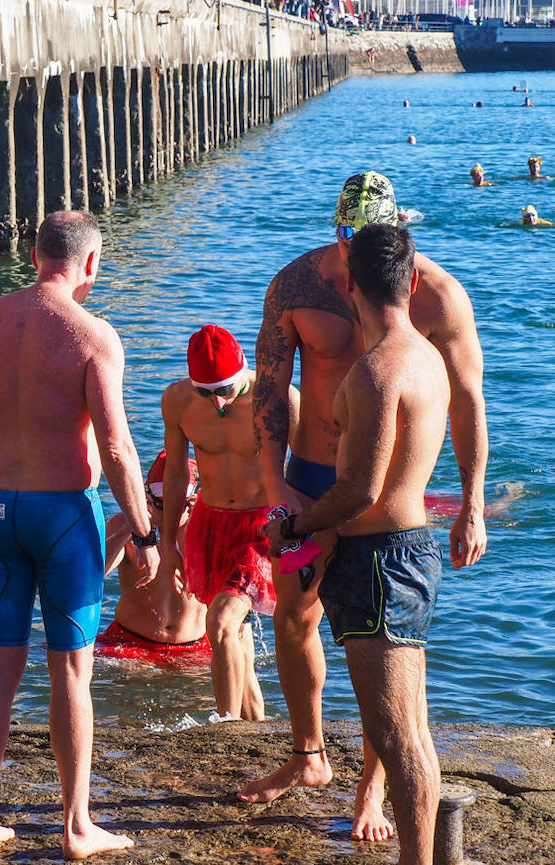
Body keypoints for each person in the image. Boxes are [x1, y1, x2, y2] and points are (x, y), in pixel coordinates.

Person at [245, 171, 488, 845]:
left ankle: (374, 786)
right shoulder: (297, 285)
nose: (353, 248)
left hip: (381, 494)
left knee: (387, 658)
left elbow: (467, 399)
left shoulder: (435, 294)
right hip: (312, 474)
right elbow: (268, 391)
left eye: (369, 238)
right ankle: (308, 754)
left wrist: (472, 502)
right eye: (346, 234)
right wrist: (277, 490)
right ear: (335, 228)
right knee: (295, 614)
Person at [0, 211, 148, 859]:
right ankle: (77, 825)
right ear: (90, 264)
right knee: (71, 671)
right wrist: (143, 530)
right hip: (63, 517)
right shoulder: (93, 335)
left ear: (33, 254)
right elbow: (115, 445)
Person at [263, 223, 449, 865]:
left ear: (351, 285)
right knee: (413, 735)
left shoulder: (375, 373)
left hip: (379, 564)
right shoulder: (426, 355)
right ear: (413, 281)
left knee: (398, 741)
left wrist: (291, 527)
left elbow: (358, 491)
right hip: (407, 552)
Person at [159, 325, 296, 721]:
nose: (217, 402)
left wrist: (307, 533)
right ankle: (257, 723)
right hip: (209, 524)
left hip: (262, 527)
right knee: (233, 634)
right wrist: (169, 545)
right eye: (206, 392)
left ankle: (225, 728)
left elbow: (310, 470)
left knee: (220, 622)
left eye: (225, 390)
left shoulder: (279, 399)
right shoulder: (177, 400)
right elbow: (175, 476)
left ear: (243, 373)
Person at [94, 451, 210, 667]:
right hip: (129, 646)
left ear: (192, 501)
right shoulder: (125, 526)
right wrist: (131, 525)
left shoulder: (206, 533)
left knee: (196, 701)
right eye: (163, 506)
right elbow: (93, 573)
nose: (171, 515)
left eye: (180, 506)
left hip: (194, 651)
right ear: (148, 499)